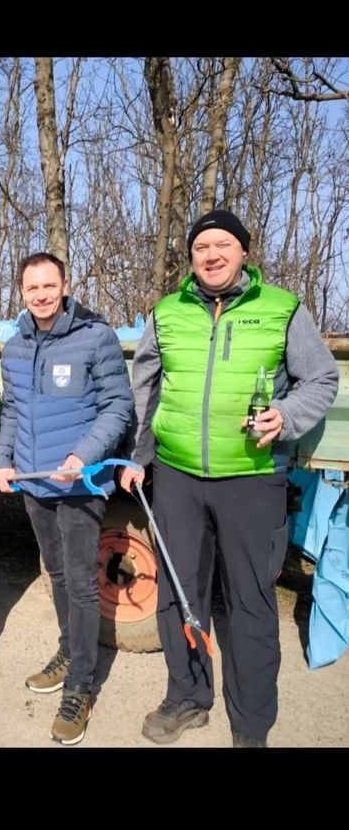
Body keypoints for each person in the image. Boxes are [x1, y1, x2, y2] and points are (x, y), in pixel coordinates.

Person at [119, 210, 339, 748]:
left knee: (251, 601)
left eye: (223, 244)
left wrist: (286, 416)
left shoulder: (282, 309)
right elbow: (145, 391)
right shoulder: (166, 313)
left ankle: (252, 725)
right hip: (176, 477)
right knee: (177, 594)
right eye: (201, 247)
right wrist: (137, 456)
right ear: (191, 257)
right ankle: (188, 698)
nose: (211, 255)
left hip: (253, 477)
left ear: (244, 251)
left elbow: (321, 378)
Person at [0, 252, 133, 745]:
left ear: (65, 285)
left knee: (81, 582)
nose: (42, 295)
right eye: (33, 288)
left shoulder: (96, 336)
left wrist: (84, 454)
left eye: (50, 286)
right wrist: (0, 461)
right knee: (55, 575)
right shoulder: (14, 347)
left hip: (79, 484)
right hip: (34, 484)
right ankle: (70, 650)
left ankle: (81, 687)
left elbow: (119, 407)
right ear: (22, 292)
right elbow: (12, 414)